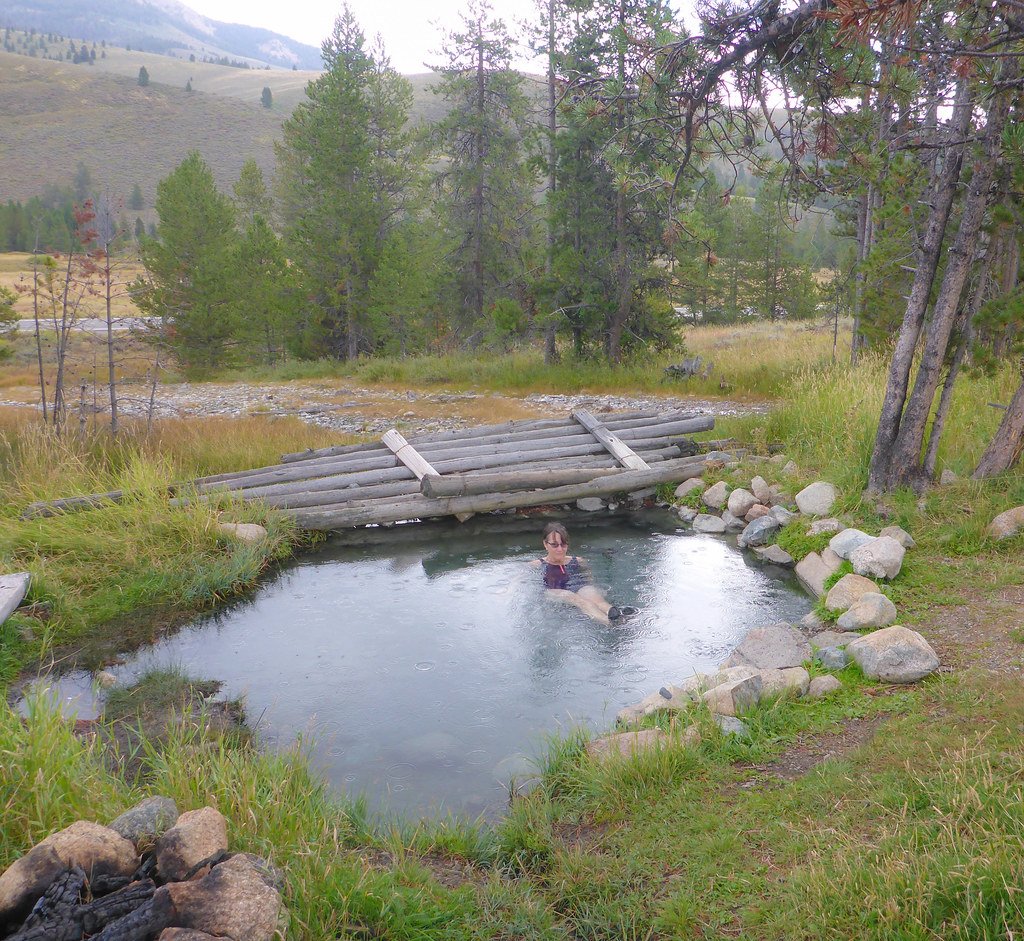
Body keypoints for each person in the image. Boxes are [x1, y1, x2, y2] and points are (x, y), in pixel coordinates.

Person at [530, 522, 638, 625]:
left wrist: (594, 590)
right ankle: (609, 623)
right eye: (554, 545)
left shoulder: (578, 561)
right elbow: (521, 585)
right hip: (553, 591)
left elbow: (589, 580)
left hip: (578, 587)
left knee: (596, 599)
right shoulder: (537, 565)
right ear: (545, 544)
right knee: (580, 601)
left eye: (563, 545)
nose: (559, 549)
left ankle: (619, 617)